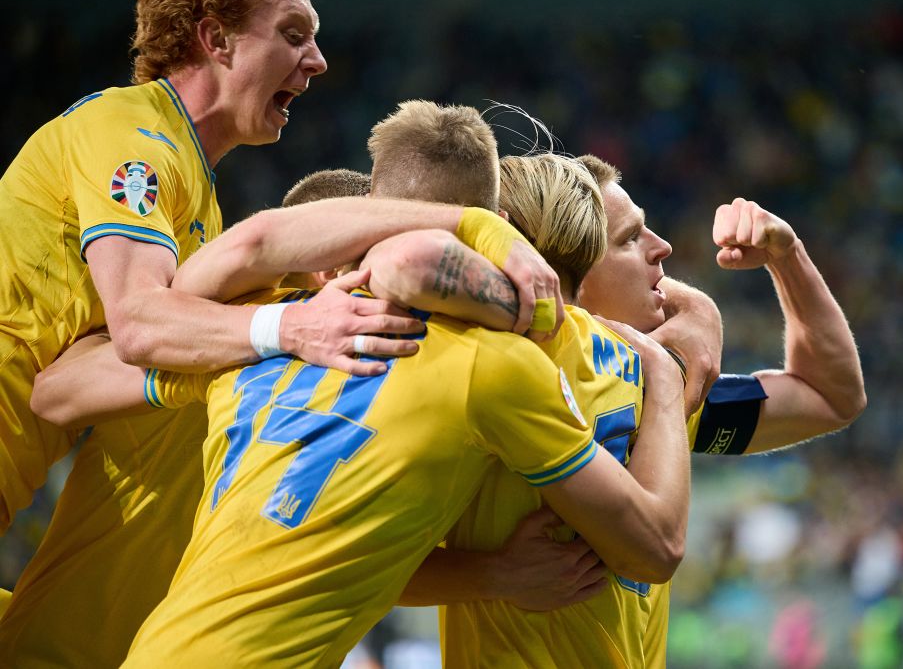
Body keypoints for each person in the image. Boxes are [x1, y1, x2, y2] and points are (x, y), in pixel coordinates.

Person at [28, 102, 690, 666]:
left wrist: (269, 327)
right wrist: (667, 370)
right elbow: (657, 547)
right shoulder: (496, 364)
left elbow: (58, 389)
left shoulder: (248, 340)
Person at [394, 152, 866, 667]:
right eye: (629, 239)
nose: (662, 249)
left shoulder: (654, 393)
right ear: (560, 268)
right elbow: (351, 551)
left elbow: (830, 396)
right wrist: (490, 575)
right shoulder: (484, 378)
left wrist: (788, 256)